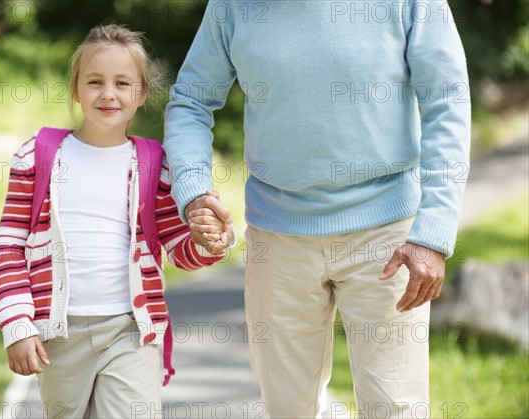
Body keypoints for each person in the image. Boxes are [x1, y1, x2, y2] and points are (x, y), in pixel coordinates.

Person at [164, 1, 471, 417]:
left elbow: (447, 101)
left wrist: (433, 231)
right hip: (277, 236)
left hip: (386, 234)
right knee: (290, 409)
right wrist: (194, 189)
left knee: (394, 408)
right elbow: (191, 101)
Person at [0, 24, 232, 418]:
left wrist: (208, 242)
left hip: (131, 330)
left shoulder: (155, 163)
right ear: (75, 88)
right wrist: (17, 324)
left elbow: (177, 248)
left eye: (122, 82)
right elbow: (9, 246)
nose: (108, 93)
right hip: (58, 334)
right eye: (95, 81)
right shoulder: (38, 155)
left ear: (140, 94)